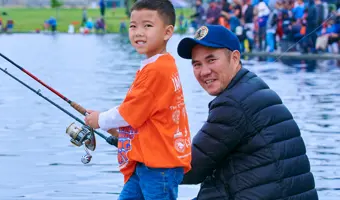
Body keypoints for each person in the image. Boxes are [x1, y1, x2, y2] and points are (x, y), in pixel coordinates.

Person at [177, 25, 318, 199]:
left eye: (211, 60)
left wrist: (139, 161)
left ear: (235, 58)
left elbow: (190, 169)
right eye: (197, 64)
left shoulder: (233, 103)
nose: (204, 71)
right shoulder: (250, 88)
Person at [84, 0, 192, 199]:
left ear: (167, 32)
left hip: (159, 166)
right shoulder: (158, 65)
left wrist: (100, 120)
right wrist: (116, 126)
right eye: (133, 26)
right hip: (146, 162)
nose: (138, 32)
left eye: (148, 26)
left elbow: (130, 111)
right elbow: (144, 110)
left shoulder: (157, 70)